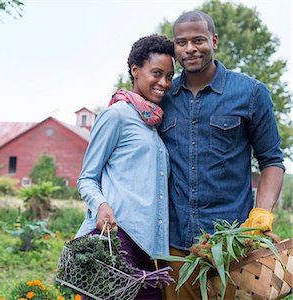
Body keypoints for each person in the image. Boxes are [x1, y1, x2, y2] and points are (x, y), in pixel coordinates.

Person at [158, 11, 285, 299]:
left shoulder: (251, 93)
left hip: (230, 247)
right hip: (175, 248)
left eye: (198, 40)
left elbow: (272, 161)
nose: (190, 48)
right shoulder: (162, 97)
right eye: (181, 42)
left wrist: (262, 213)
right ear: (174, 48)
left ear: (214, 41)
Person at [75, 34, 175, 299]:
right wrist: (101, 205)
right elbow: (86, 178)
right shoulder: (116, 115)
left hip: (151, 248)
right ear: (135, 70)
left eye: (169, 76)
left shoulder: (154, 123)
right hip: (116, 240)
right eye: (156, 73)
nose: (163, 83)